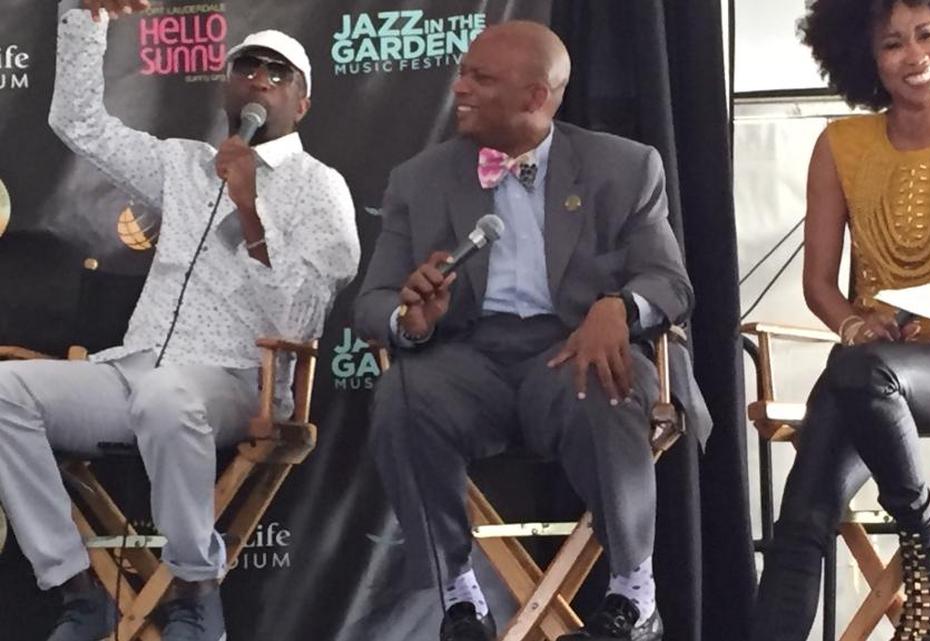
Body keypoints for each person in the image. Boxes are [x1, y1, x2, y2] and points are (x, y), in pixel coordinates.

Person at [0, 1, 360, 639]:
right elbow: (78, 122)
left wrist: (252, 212)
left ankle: (195, 590)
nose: (258, 79)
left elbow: (303, 316)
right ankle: (76, 591)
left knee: (169, 396)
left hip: (237, 381)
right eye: (246, 66)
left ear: (302, 103)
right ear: (225, 84)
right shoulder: (185, 166)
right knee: (4, 393)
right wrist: (86, 17)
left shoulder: (320, 187)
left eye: (278, 73)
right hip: (136, 371)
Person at [354, 19, 710, 641]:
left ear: (535, 97)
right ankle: (459, 598)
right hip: (470, 359)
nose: (458, 86)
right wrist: (408, 318)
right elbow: (373, 304)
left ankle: (634, 598)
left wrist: (618, 310)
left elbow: (671, 284)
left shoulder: (625, 167)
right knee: (403, 394)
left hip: (570, 350)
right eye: (463, 71)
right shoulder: (419, 178)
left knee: (608, 379)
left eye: (479, 77)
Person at [750, 1, 930, 640]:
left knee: (862, 372)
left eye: (925, 35)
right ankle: (927, 551)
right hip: (867, 366)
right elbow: (820, 284)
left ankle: (921, 551)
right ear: (866, 61)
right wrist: (853, 323)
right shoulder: (839, 145)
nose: (915, 56)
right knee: (799, 520)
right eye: (892, 45)